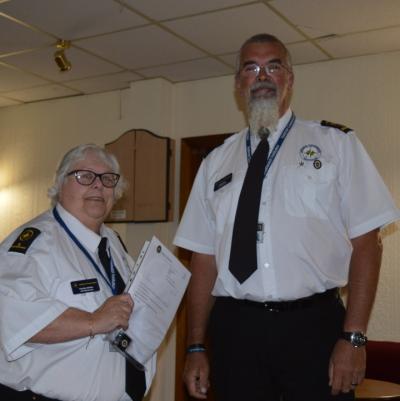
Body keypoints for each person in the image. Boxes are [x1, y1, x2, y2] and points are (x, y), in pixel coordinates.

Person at [173, 33, 400, 401]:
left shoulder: (335, 145)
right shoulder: (215, 162)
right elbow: (203, 260)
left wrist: (354, 337)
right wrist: (195, 347)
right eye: (251, 68)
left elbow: (367, 245)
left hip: (314, 327)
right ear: (238, 84)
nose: (262, 75)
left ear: (289, 80)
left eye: (273, 66)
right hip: (236, 329)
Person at [0, 144, 156, 401]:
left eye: (107, 179)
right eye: (84, 176)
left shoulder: (113, 242)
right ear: (60, 185)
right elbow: (10, 317)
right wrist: (94, 321)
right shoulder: (34, 244)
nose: (98, 186)